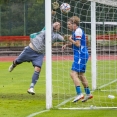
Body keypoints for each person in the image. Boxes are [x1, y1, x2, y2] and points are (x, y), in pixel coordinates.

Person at [8, 2, 65, 95]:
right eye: (56, 22)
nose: (56, 24)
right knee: (17, 62)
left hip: (39, 54)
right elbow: (50, 16)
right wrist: (54, 10)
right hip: (30, 49)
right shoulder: (48, 27)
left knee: (38, 69)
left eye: (58, 24)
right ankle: (13, 65)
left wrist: (65, 39)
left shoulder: (56, 36)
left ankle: (31, 87)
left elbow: (63, 39)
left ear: (58, 28)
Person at [62, 16, 93, 102]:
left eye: (69, 24)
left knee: (73, 73)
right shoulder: (76, 31)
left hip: (80, 54)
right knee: (81, 75)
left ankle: (79, 94)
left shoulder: (78, 31)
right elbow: (77, 43)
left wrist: (70, 39)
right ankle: (88, 93)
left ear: (74, 24)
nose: (68, 26)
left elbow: (78, 44)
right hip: (82, 54)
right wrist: (67, 45)